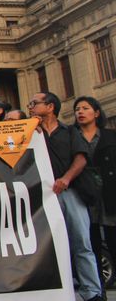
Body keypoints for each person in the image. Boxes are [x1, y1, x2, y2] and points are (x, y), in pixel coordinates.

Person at [29, 91, 102, 301]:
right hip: (42, 196)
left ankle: (92, 292)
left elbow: (81, 159)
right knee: (48, 246)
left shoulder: (69, 131)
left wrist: (66, 179)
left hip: (70, 193)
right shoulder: (30, 132)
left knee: (82, 242)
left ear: (50, 107)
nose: (31, 107)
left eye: (35, 103)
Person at [74, 96, 116, 294]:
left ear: (96, 113)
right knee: (91, 248)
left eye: (85, 108)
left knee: (114, 243)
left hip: (109, 196)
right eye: (77, 109)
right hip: (85, 197)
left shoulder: (110, 136)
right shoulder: (72, 136)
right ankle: (98, 294)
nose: (80, 112)